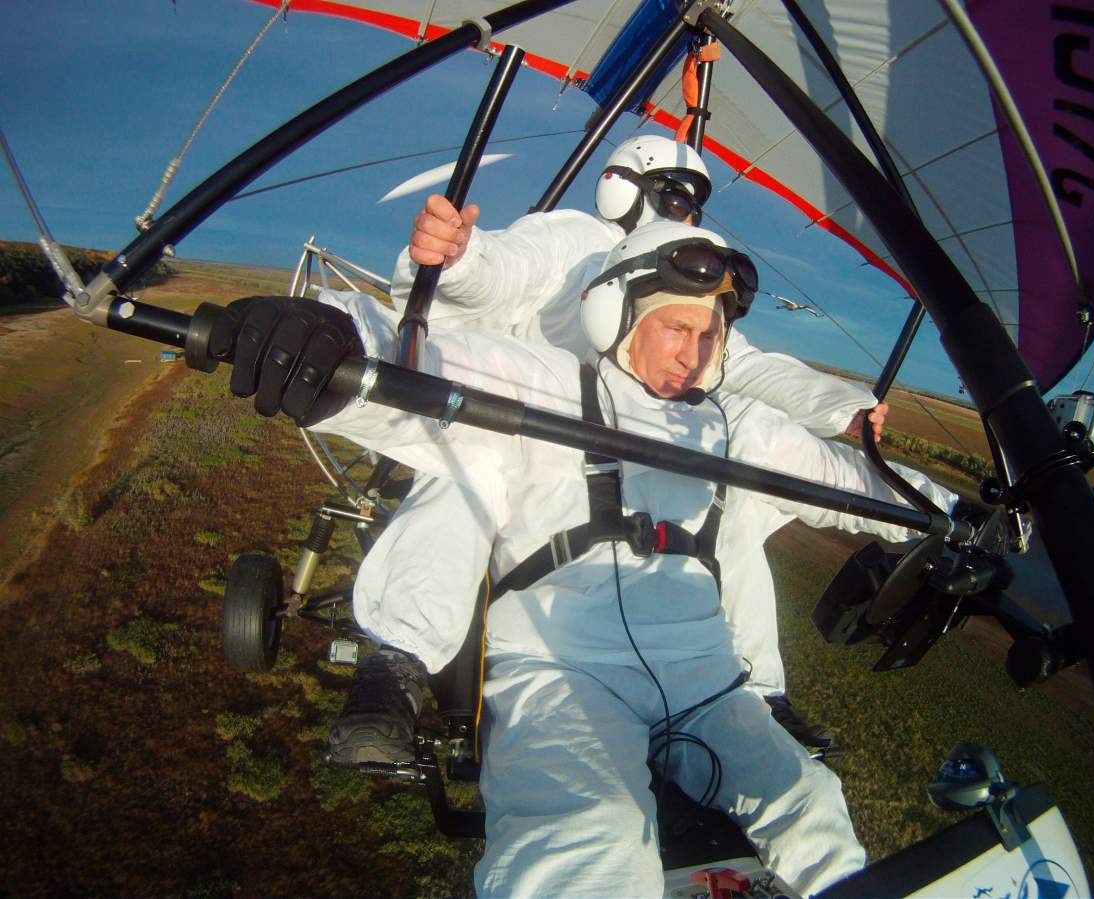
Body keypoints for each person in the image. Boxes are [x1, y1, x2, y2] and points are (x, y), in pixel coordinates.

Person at [206, 222, 957, 897]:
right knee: (588, 842)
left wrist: (955, 518)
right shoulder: (545, 385)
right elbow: (420, 366)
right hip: (563, 670)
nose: (692, 352)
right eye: (675, 326)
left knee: (811, 806)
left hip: (704, 678)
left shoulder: (737, 425)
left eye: (709, 334)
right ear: (619, 316)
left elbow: (854, 482)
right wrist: (320, 331)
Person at [349, 133, 889, 757]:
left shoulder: (681, 276)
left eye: (690, 205)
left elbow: (742, 363)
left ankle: (757, 694)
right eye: (670, 195)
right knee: (469, 466)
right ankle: (400, 660)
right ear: (623, 184)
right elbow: (503, 271)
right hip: (531, 433)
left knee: (729, 506)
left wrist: (838, 406)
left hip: (635, 450)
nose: (680, 213)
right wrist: (462, 260)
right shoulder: (573, 238)